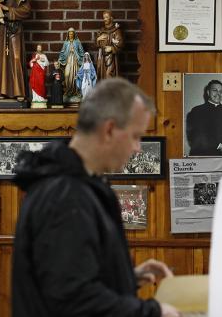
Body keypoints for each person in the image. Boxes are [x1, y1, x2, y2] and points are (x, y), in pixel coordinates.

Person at [12, 78, 180, 317]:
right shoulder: (65, 196)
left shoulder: (79, 183)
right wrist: (154, 312)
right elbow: (73, 301)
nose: (138, 148)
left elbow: (67, 276)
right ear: (109, 129)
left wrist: (125, 277)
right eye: (135, 136)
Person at [186, 79, 222, 156]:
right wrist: (219, 146)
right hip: (203, 155)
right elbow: (197, 135)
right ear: (208, 92)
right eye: (215, 90)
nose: (218, 94)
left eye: (221, 91)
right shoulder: (197, 110)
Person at [58, 27, 85, 102]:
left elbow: (82, 52)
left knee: (75, 76)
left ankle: (76, 92)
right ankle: (68, 91)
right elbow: (62, 52)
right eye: (69, 34)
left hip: (75, 62)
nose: (70, 35)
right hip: (68, 61)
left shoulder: (77, 42)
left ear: (74, 34)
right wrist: (60, 59)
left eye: (72, 34)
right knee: (67, 75)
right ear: (68, 34)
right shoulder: (66, 43)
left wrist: (76, 53)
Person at [96, 10, 124, 80]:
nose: (104, 19)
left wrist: (112, 48)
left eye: (106, 17)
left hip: (111, 57)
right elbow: (96, 44)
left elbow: (121, 43)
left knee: (109, 74)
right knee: (102, 76)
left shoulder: (116, 30)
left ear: (111, 18)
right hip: (102, 57)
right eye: (104, 17)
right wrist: (98, 39)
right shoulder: (101, 30)